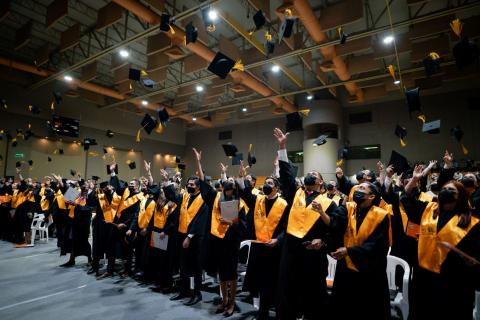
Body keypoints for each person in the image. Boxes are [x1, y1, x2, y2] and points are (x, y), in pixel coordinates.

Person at [273, 128, 342, 320]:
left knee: (312, 292)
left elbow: (335, 228)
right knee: (288, 287)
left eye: (315, 174)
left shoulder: (330, 202)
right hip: (291, 248)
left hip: (313, 252)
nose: (310, 175)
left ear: (321, 182)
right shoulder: (296, 193)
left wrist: (324, 242)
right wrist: (282, 146)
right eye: (308, 173)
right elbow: (286, 175)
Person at [401, 164, 480, 320]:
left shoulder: (472, 222)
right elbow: (406, 199)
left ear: (461, 196)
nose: (446, 192)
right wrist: (414, 180)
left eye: (452, 190)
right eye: (444, 189)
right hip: (423, 278)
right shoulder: (428, 209)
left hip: (453, 283)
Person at [193, 149, 247, 317]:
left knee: (231, 274)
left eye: (232, 181)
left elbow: (245, 226)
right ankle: (223, 300)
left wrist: (231, 222)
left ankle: (232, 302)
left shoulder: (240, 203)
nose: (229, 183)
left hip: (231, 242)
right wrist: (198, 163)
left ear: (235, 186)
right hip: (217, 240)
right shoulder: (215, 197)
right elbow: (202, 183)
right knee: (221, 274)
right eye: (227, 181)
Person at [330, 182, 391, 320]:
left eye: (362, 189)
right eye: (357, 188)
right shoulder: (349, 209)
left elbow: (376, 245)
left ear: (371, 196)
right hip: (346, 267)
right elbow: (335, 227)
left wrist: (350, 251)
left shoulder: (381, 215)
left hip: (368, 270)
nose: (357, 190)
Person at [238, 162, 288, 320]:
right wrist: (242, 176)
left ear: (277, 188)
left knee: (270, 283)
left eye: (270, 183)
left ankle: (268, 312)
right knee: (258, 282)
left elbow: (287, 228)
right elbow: (246, 194)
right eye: (266, 183)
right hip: (259, 247)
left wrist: (278, 240)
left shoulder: (284, 204)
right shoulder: (259, 200)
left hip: (274, 249)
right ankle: (262, 312)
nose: (267, 185)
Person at [162, 168, 209, 306]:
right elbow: (172, 196)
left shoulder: (204, 199)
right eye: (188, 184)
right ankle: (184, 291)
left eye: (192, 185)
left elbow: (199, 220)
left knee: (196, 267)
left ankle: (197, 293)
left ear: (199, 186)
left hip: (195, 238)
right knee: (183, 265)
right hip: (181, 235)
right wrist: (166, 181)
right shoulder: (185, 196)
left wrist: (189, 237)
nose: (189, 186)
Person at [60, 180, 95, 267]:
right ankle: (72, 260)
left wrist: (76, 205)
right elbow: (66, 193)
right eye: (83, 186)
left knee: (84, 241)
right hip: (73, 220)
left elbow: (89, 208)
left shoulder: (90, 197)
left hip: (84, 222)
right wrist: (61, 182)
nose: (85, 188)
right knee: (73, 241)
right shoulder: (77, 193)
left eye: (86, 186)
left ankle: (90, 259)